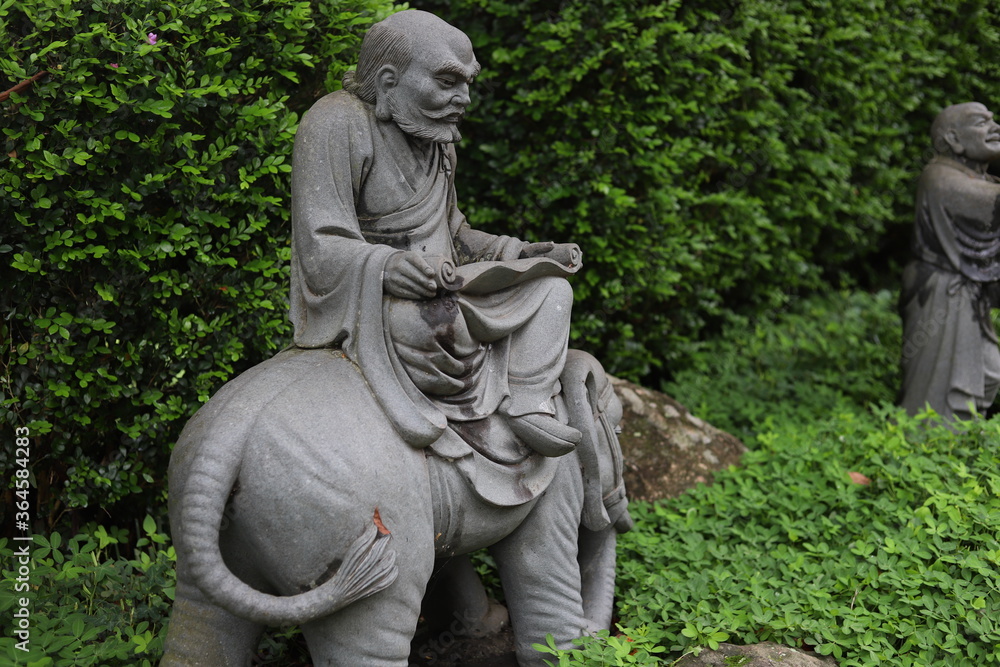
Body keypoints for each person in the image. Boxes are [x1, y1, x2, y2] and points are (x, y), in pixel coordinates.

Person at [289, 10, 582, 457]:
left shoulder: (439, 142)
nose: (464, 98)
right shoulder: (336, 123)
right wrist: (386, 267)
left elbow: (455, 231)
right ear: (389, 81)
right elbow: (320, 243)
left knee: (553, 290)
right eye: (447, 82)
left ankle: (526, 401)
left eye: (467, 83)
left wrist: (520, 253)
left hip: (450, 286)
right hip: (386, 302)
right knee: (439, 328)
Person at [899, 101, 1000, 421]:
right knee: (937, 384)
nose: (995, 127)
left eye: (993, 120)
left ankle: (958, 445)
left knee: (989, 371)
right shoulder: (939, 177)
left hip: (966, 292)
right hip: (940, 291)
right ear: (954, 140)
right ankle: (924, 447)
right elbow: (990, 205)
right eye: (981, 123)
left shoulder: (977, 177)